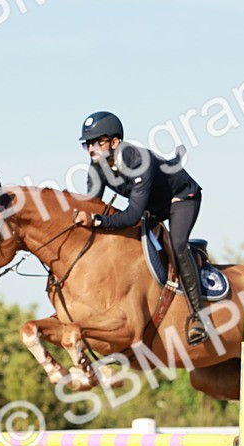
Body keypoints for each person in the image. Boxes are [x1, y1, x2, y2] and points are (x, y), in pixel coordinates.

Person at [72, 111, 209, 346]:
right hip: (151, 206)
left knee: (177, 245)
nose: (92, 148)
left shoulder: (136, 160)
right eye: (87, 144)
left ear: (115, 142)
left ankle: (198, 316)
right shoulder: (97, 166)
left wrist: (97, 221)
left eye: (98, 142)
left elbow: (132, 215)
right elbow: (92, 204)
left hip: (181, 198)